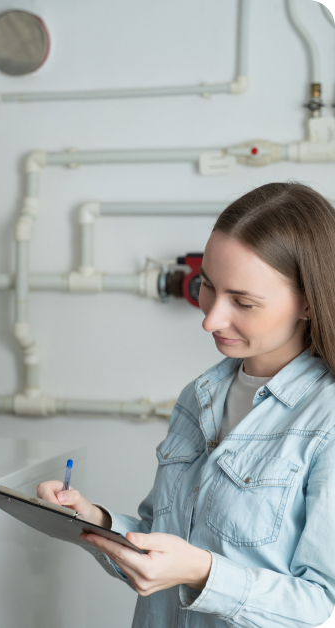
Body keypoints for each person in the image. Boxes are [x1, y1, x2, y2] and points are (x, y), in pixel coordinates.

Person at [38, 182, 335, 627]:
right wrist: (92, 519)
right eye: (208, 287)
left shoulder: (326, 421)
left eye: (244, 302)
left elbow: (324, 607)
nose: (210, 318)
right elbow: (161, 542)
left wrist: (203, 573)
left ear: (309, 302)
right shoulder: (199, 397)